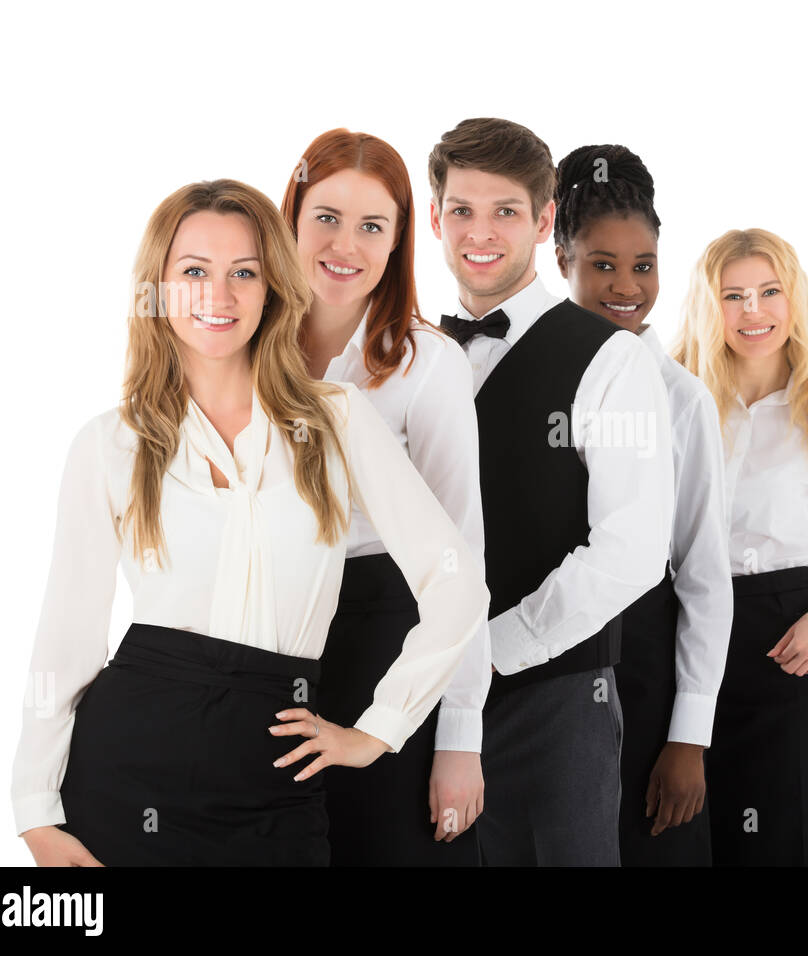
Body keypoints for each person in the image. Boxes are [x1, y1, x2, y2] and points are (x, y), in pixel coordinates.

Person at [10, 179, 489, 867]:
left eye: (244, 273)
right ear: (159, 289)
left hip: (274, 779)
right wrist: (35, 813)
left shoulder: (338, 419)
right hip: (124, 774)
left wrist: (379, 729)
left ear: (273, 289)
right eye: (194, 272)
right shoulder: (108, 444)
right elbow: (66, 640)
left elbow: (456, 583)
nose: (218, 295)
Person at [428, 118, 674, 866]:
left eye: (505, 212)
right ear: (435, 218)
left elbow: (632, 551)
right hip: (414, 697)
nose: (482, 232)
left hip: (555, 702)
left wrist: (488, 653)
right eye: (462, 210)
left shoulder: (612, 361)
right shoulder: (407, 352)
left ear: (541, 223)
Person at [281, 129, 491, 865]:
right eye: (327, 217)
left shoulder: (427, 363)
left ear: (399, 241)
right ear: (291, 221)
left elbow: (463, 555)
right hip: (268, 633)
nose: (346, 244)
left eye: (373, 226)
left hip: (383, 637)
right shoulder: (236, 346)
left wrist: (459, 741)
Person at [673, 227, 808, 865]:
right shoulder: (676, 408)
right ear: (710, 308)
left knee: (801, 836)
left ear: (795, 301)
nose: (753, 311)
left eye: (769, 292)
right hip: (683, 633)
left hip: (790, 643)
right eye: (732, 296)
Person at [553, 143, 732, 866]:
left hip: (646, 660)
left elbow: (705, 574)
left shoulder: (683, 399)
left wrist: (688, 736)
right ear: (560, 256)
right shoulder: (532, 381)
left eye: (644, 265)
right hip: (547, 661)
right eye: (602, 264)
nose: (626, 286)